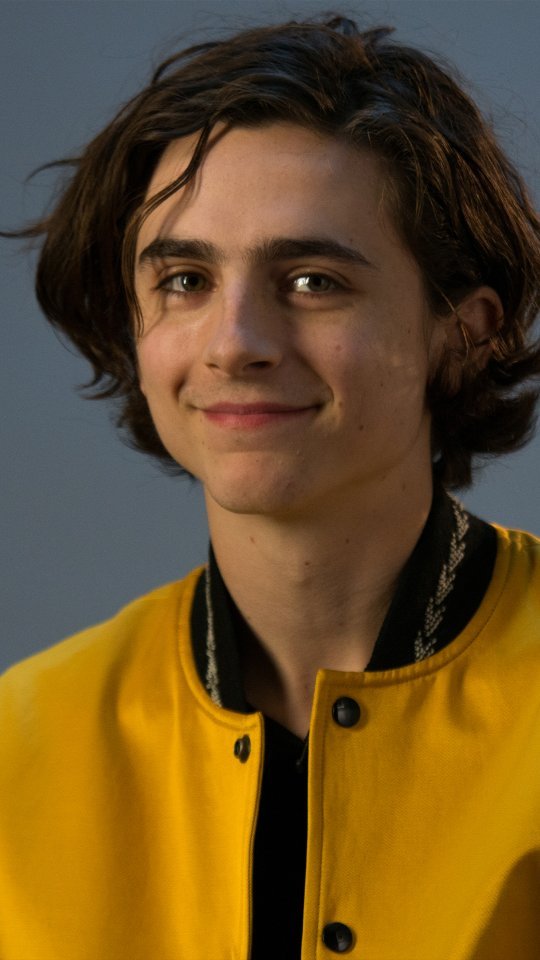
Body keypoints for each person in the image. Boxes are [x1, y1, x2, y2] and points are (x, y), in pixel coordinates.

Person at [1, 13, 539, 960]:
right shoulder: (21, 743)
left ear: (467, 331)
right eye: (185, 280)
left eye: (313, 281)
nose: (235, 343)